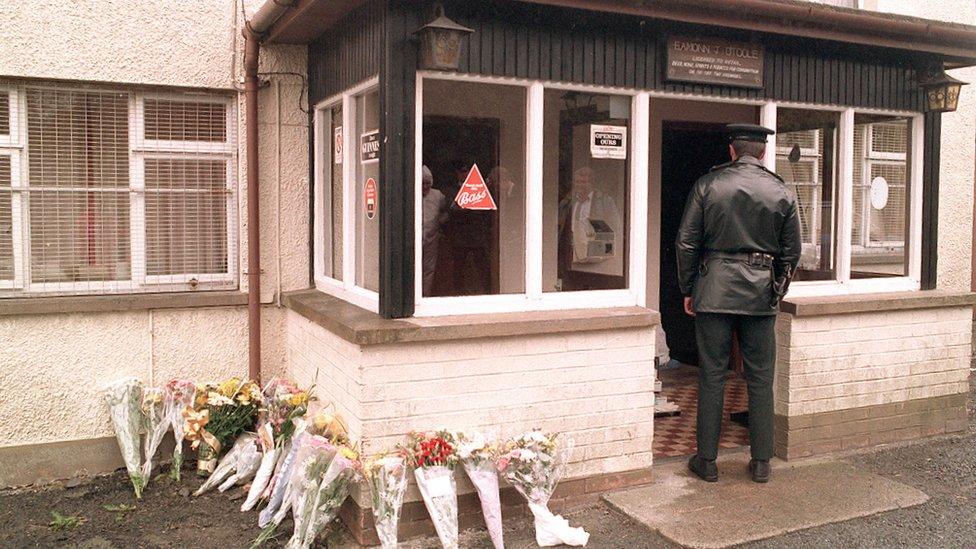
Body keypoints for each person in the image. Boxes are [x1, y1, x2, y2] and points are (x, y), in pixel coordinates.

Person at [675, 123, 802, 484]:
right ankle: (761, 462)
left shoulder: (708, 184)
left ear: (732, 150)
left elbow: (686, 242)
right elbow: (793, 253)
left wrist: (689, 288)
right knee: (761, 377)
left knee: (712, 375)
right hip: (760, 291)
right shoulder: (781, 189)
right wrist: (777, 290)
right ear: (761, 153)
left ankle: (708, 462)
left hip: (713, 288)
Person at [421, 165, 447, 296]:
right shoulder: (412, 194)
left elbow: (445, 212)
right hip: (416, 237)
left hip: (432, 237)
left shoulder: (437, 196)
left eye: (427, 183)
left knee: (429, 269)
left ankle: (425, 295)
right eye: (422, 183)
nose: (425, 187)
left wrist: (440, 222)